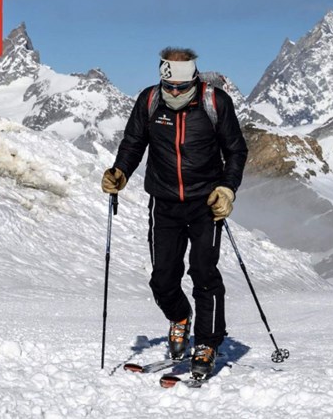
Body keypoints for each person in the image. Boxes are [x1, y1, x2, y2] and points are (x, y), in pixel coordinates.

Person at [101, 47, 248, 380]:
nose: (176, 93)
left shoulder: (215, 102)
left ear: (194, 79)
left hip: (205, 203)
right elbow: (134, 142)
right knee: (163, 278)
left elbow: (236, 150)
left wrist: (227, 189)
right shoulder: (150, 100)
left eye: (182, 87)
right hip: (164, 203)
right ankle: (180, 317)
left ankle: (207, 343)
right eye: (170, 87)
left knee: (203, 272)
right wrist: (120, 171)